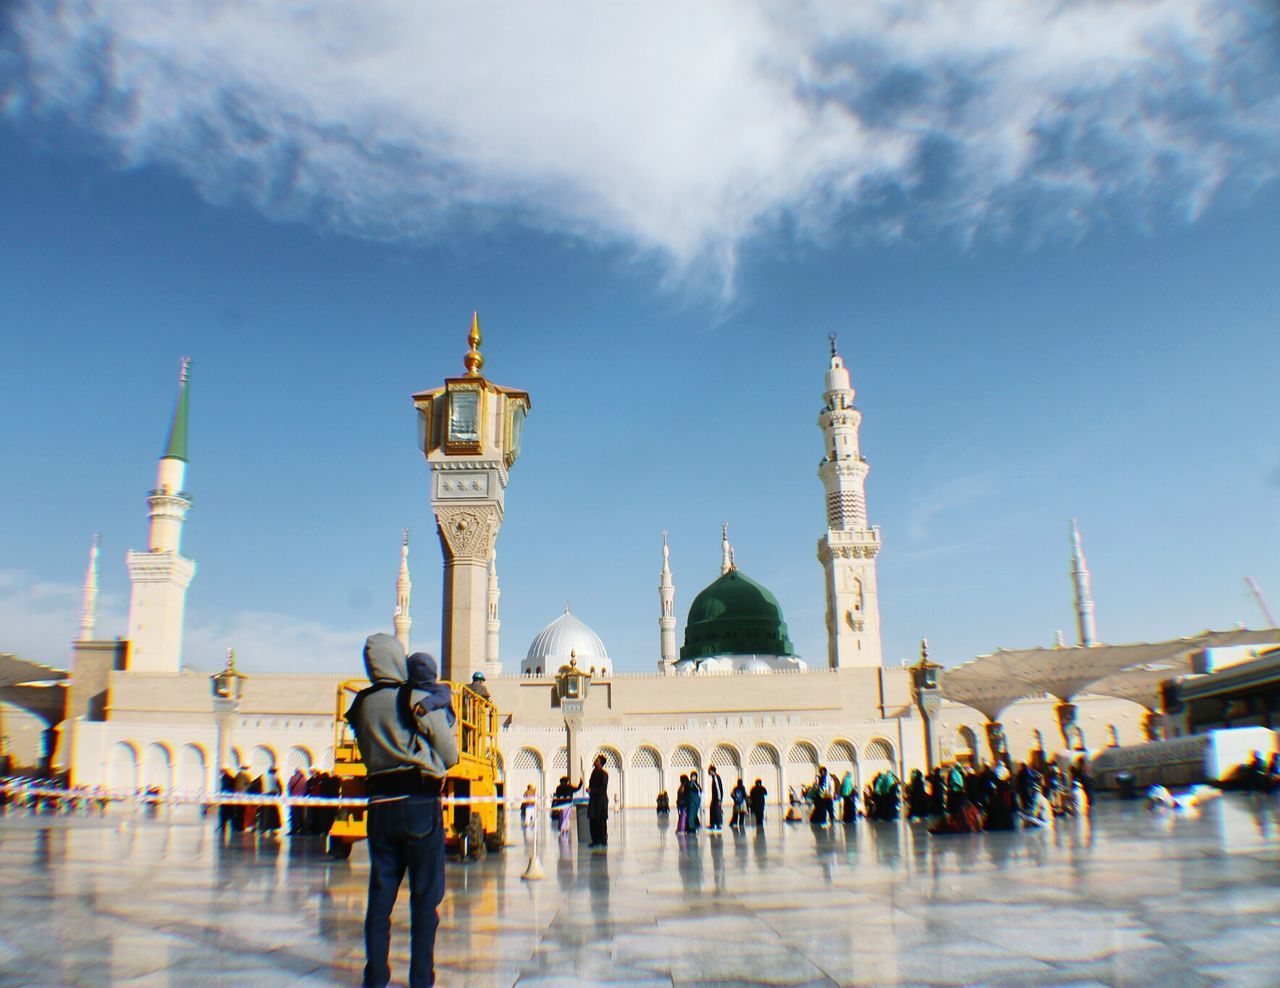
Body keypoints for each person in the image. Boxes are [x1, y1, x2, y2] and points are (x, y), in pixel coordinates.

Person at [346, 634, 458, 988]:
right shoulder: (413, 697)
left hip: (379, 808)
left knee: (380, 898)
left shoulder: (360, 704)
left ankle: (375, 975)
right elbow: (450, 753)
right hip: (419, 806)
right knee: (425, 898)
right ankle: (421, 978)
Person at [587, 754, 609, 848]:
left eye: (597, 761)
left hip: (601, 801)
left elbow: (603, 788)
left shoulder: (604, 774)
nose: (595, 762)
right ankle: (595, 840)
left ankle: (602, 840)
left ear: (600, 763)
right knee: (593, 819)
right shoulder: (593, 773)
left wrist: (592, 790)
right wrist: (590, 790)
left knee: (601, 821)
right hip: (593, 800)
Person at [706, 764, 724, 832]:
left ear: (712, 771)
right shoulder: (714, 777)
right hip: (715, 798)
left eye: (709, 771)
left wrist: (719, 799)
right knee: (713, 810)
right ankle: (713, 824)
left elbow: (718, 788)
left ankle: (718, 824)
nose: (708, 772)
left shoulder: (716, 777)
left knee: (717, 811)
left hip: (717, 798)